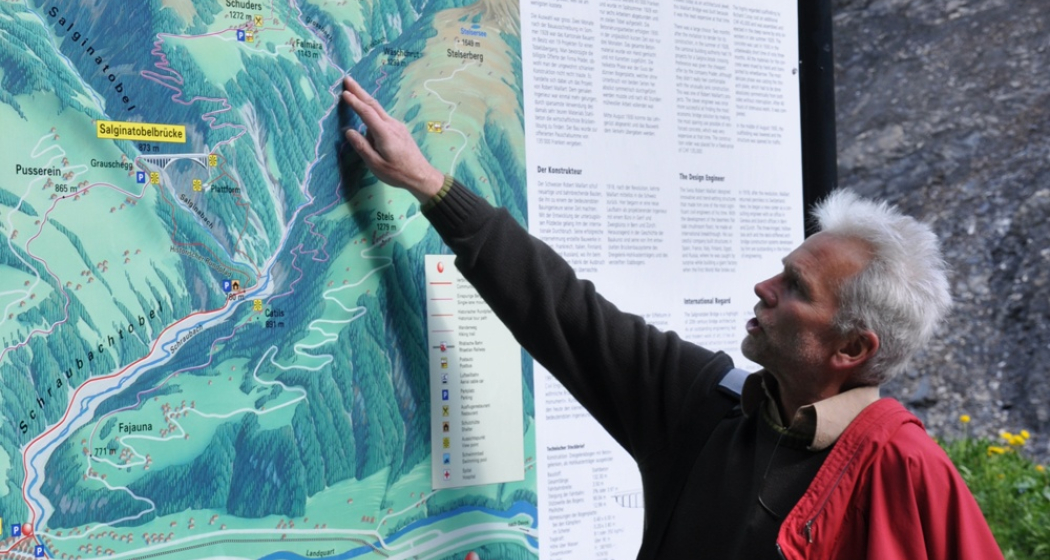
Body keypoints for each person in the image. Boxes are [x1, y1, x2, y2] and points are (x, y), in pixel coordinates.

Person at [339, 76, 1004, 559]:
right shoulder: (706, 408)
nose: (763, 287)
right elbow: (564, 311)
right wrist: (433, 186)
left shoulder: (906, 476)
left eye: (795, 287)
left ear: (850, 347)